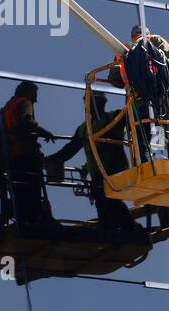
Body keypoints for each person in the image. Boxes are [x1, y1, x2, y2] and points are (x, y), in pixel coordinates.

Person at [46, 92, 138, 232]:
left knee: (109, 201)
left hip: (114, 169)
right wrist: (51, 159)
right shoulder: (84, 128)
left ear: (101, 104)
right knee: (103, 201)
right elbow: (69, 149)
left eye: (91, 103)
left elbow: (132, 116)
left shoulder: (113, 118)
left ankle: (126, 230)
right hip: (98, 173)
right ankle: (116, 231)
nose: (88, 108)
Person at [0, 81, 57, 228]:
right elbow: (26, 121)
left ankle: (23, 220)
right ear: (27, 92)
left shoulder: (1, 112)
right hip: (26, 157)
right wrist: (44, 132)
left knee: (19, 193)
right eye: (34, 96)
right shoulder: (24, 102)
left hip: (10, 161)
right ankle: (36, 221)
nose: (35, 100)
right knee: (32, 191)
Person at [123, 25, 169, 164]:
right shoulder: (155, 40)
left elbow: (114, 76)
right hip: (161, 100)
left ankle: (145, 165)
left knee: (142, 138)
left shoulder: (125, 50)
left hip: (138, 102)